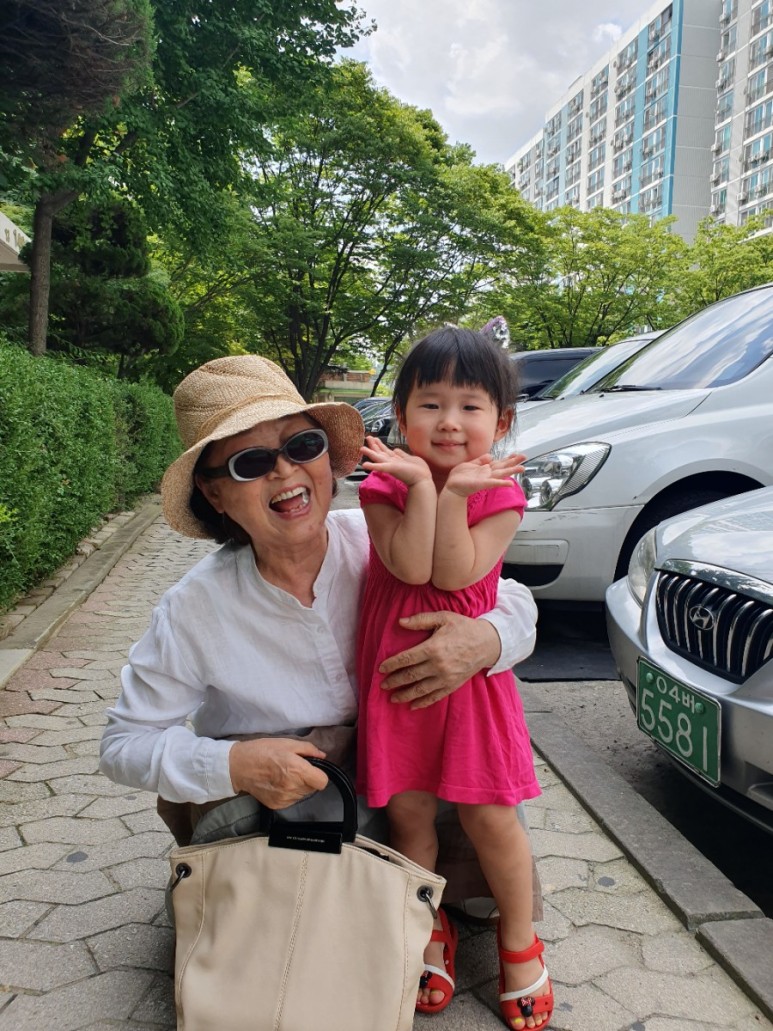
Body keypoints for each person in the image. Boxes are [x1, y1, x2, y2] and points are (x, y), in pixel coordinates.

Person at [97, 354, 540, 996]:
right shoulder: (194, 609)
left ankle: (443, 915)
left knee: (486, 804)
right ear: (214, 494)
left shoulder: (378, 537)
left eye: (301, 446)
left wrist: (487, 639)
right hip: (290, 798)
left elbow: (508, 592)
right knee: (282, 941)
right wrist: (235, 763)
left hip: (405, 758)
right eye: (250, 462)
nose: (284, 472)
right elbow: (122, 746)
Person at [356, 327, 553, 1029]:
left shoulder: (500, 494)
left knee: (489, 813)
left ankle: (519, 941)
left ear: (500, 422)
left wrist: (448, 496)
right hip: (396, 683)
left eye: (470, 406)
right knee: (408, 813)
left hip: (471, 685)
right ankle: (428, 923)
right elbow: (409, 566)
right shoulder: (383, 485)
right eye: (430, 403)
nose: (448, 422)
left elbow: (453, 573)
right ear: (400, 415)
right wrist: (420, 487)